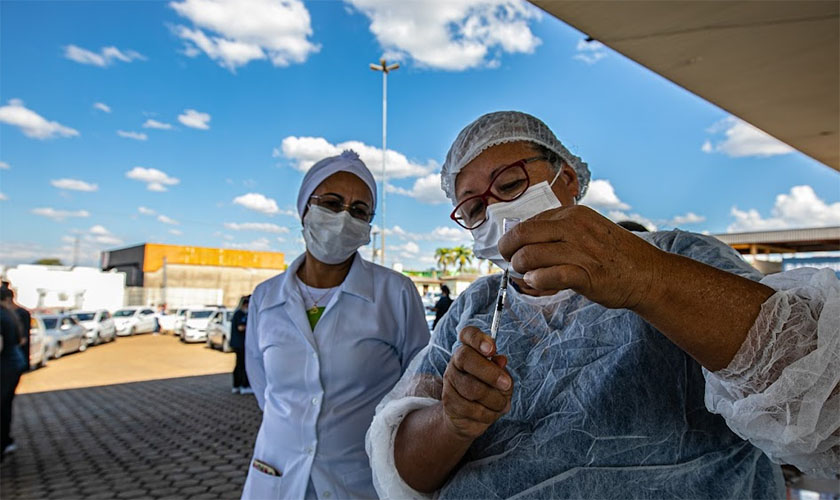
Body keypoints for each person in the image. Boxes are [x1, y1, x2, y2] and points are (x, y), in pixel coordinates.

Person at [366, 111, 839, 498]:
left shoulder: (677, 257)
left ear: (568, 178)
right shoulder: (477, 308)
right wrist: (452, 422)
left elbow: (822, 394)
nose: (494, 213)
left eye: (509, 185)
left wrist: (648, 280)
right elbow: (404, 473)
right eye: (473, 209)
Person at [242, 150, 431, 499]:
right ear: (304, 210)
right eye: (331, 203)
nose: (344, 217)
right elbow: (263, 385)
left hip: (360, 480)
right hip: (276, 475)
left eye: (359, 210)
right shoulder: (265, 297)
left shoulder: (395, 292)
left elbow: (418, 387)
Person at [0, 287, 27, 461]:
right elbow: (21, 340)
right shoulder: (11, 315)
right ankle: (6, 441)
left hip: (5, 368)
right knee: (5, 406)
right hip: (14, 365)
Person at [0, 286, 30, 371]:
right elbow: (23, 339)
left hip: (6, 362)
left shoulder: (3, 315)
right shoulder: (14, 315)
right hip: (16, 360)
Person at [230, 295, 251, 395]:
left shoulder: (242, 314)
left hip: (241, 344)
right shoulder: (239, 314)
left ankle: (238, 385)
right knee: (242, 365)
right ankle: (243, 385)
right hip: (240, 344)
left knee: (240, 365)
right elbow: (240, 327)